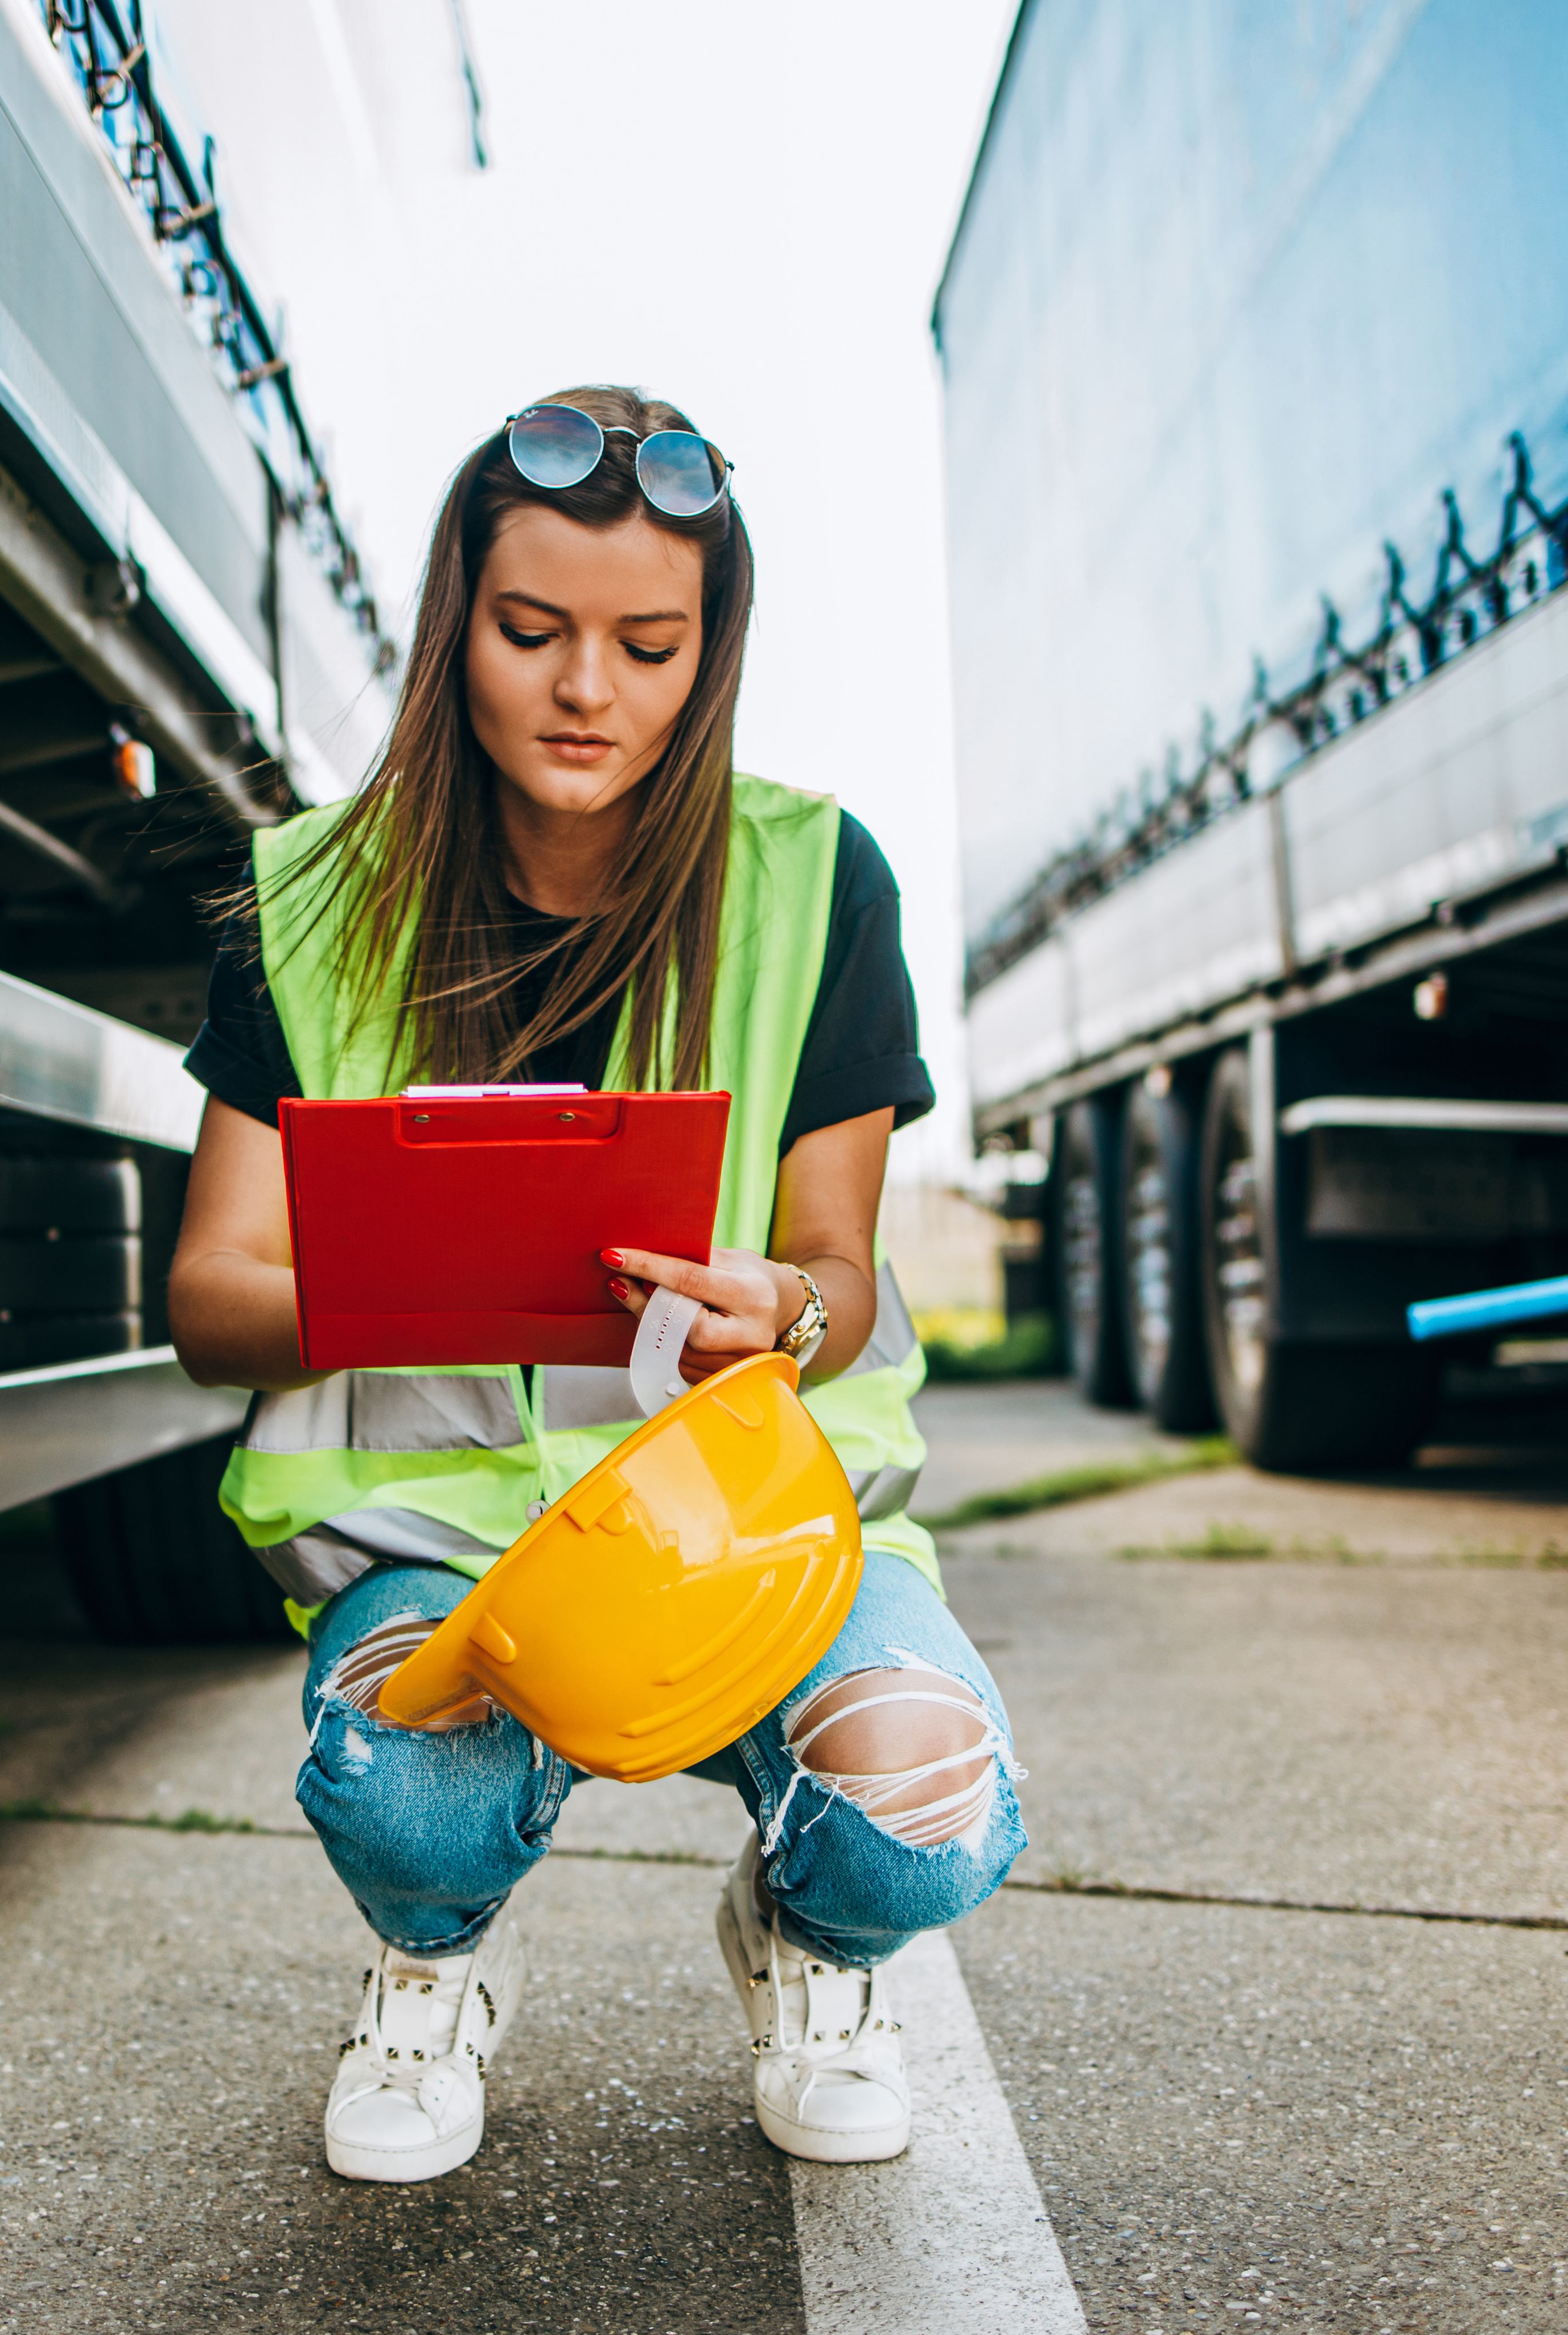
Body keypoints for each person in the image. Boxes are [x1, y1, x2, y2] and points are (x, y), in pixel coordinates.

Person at [167, 385, 1023, 2186]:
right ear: (453, 624)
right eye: (533, 631)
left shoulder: (814, 878)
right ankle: (432, 1965)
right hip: (444, 1558)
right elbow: (210, 1298)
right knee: (403, 1799)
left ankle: (810, 1940)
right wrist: (414, 1280)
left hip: (750, 1528)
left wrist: (779, 1313)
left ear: (710, 655)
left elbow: (844, 1272)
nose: (588, 692)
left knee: (925, 1817)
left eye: (650, 645)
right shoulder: (310, 901)